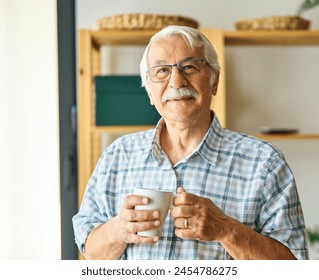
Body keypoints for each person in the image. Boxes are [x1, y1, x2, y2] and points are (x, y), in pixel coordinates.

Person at [72, 25, 309, 260]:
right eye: (162, 71)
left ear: (214, 81)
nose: (176, 82)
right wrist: (118, 230)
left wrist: (226, 229)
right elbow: (91, 251)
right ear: (149, 92)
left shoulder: (265, 162)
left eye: (189, 67)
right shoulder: (117, 155)